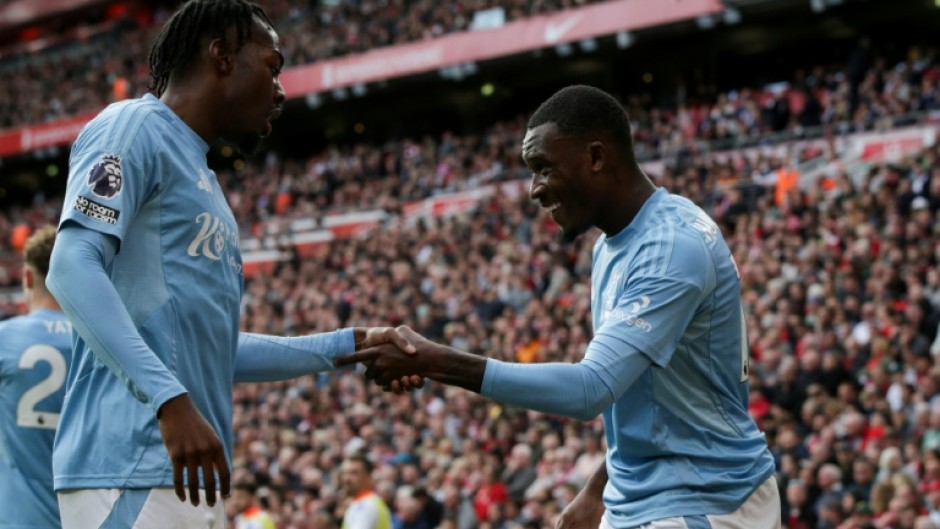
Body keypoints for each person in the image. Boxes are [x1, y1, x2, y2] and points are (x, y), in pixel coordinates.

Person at [337, 85, 781, 529]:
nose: (534, 190)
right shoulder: (613, 244)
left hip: (708, 500)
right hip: (645, 493)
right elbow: (641, 392)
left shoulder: (670, 248)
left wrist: (435, 361)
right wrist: (596, 490)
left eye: (543, 168)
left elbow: (590, 389)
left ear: (595, 157)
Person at [45, 1, 416, 527]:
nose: (281, 89)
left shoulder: (206, 182)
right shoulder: (134, 126)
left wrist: (350, 345)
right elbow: (71, 265)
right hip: (129, 465)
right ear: (221, 55)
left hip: (186, 474)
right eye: (273, 66)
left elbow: (211, 348)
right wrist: (170, 400)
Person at [0, 226, 71, 529]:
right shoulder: (104, 342)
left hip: (21, 518)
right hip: (92, 516)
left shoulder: (6, 338)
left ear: (27, 278)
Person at [340, 454, 393, 529]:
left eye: (354, 473)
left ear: (369, 477)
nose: (347, 478)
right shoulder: (369, 502)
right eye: (345, 473)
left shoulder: (365, 506)